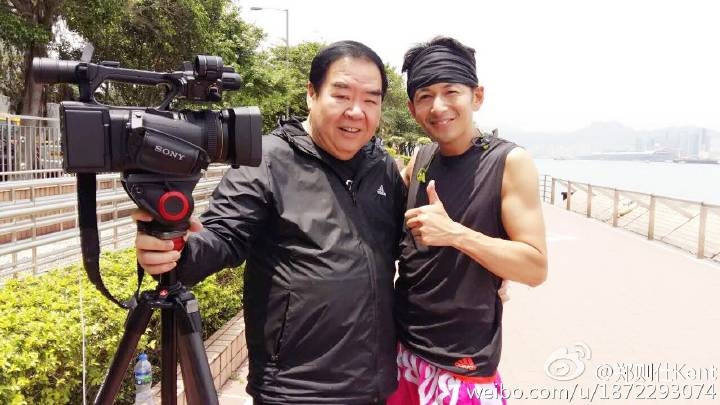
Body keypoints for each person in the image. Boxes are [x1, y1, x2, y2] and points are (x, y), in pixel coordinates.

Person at [134, 41, 405, 404]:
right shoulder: (265, 160)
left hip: (375, 386)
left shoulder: (382, 166)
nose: (356, 112)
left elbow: (405, 249)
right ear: (312, 94)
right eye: (341, 95)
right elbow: (222, 237)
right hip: (295, 390)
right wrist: (176, 248)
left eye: (371, 100)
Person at [389, 37, 548, 405]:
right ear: (412, 108)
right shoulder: (421, 158)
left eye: (451, 92)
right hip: (401, 351)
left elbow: (535, 267)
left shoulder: (509, 162)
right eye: (425, 96)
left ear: (477, 96)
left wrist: (456, 234)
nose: (438, 106)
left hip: (461, 365)